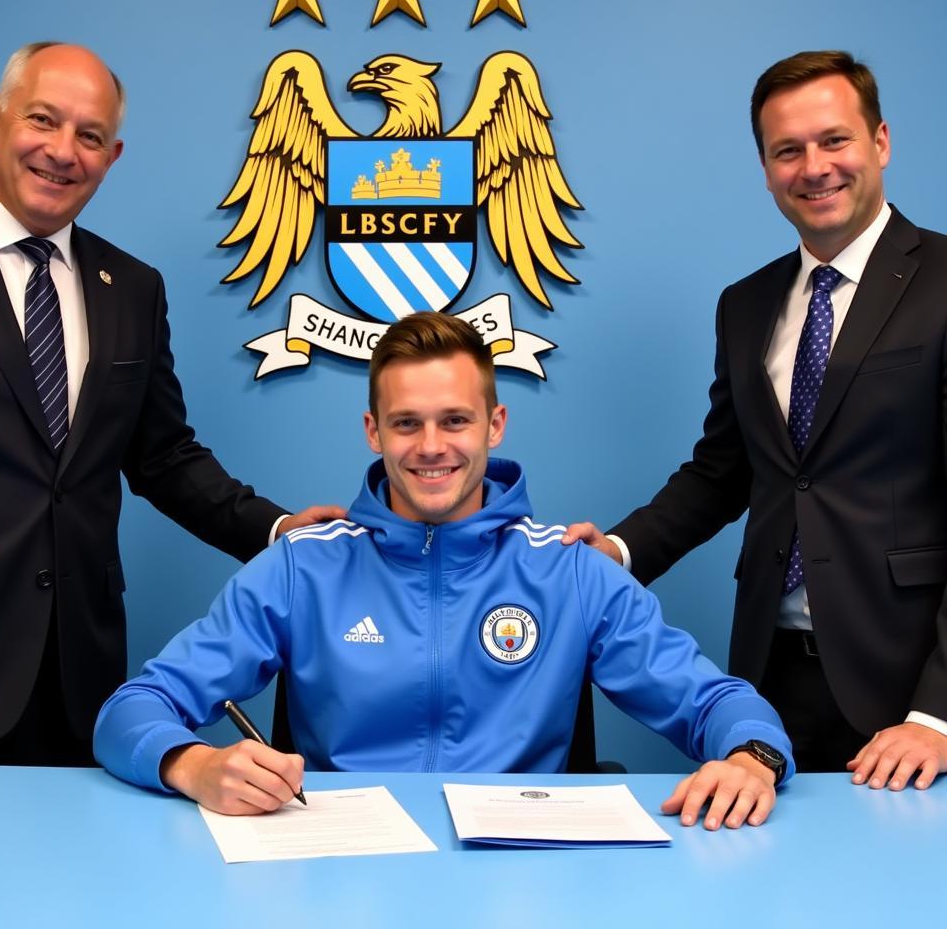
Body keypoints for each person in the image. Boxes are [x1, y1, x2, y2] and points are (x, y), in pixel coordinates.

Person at [95, 311, 794, 831]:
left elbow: (718, 705)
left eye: (455, 421)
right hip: (341, 870)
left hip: (525, 880)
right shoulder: (301, 567)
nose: (432, 448)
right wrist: (196, 765)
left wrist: (752, 756)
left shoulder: (571, 573)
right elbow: (130, 712)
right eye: (406, 424)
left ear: (495, 424)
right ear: (374, 431)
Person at [0, 42, 342, 768]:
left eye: (89, 136)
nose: (63, 151)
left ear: (112, 156)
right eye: (43, 121)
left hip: (78, 682)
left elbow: (163, 456)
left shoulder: (132, 287)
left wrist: (278, 532)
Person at [565, 51, 947, 789]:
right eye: (787, 151)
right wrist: (615, 551)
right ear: (767, 168)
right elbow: (722, 473)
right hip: (771, 682)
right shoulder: (746, 305)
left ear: (881, 143)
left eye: (834, 140)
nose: (814, 167)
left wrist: (937, 714)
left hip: (913, 691)